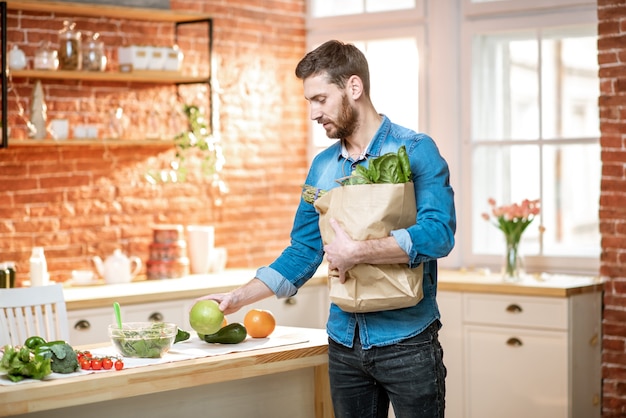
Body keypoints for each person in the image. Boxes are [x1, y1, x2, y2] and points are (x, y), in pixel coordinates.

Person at [198, 40, 456, 418]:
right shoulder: (322, 166)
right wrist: (240, 297)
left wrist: (359, 252)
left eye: (320, 99)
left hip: (408, 343)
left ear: (354, 87)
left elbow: (439, 233)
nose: (313, 113)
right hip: (343, 344)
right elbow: (303, 249)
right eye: (309, 102)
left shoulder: (416, 149)